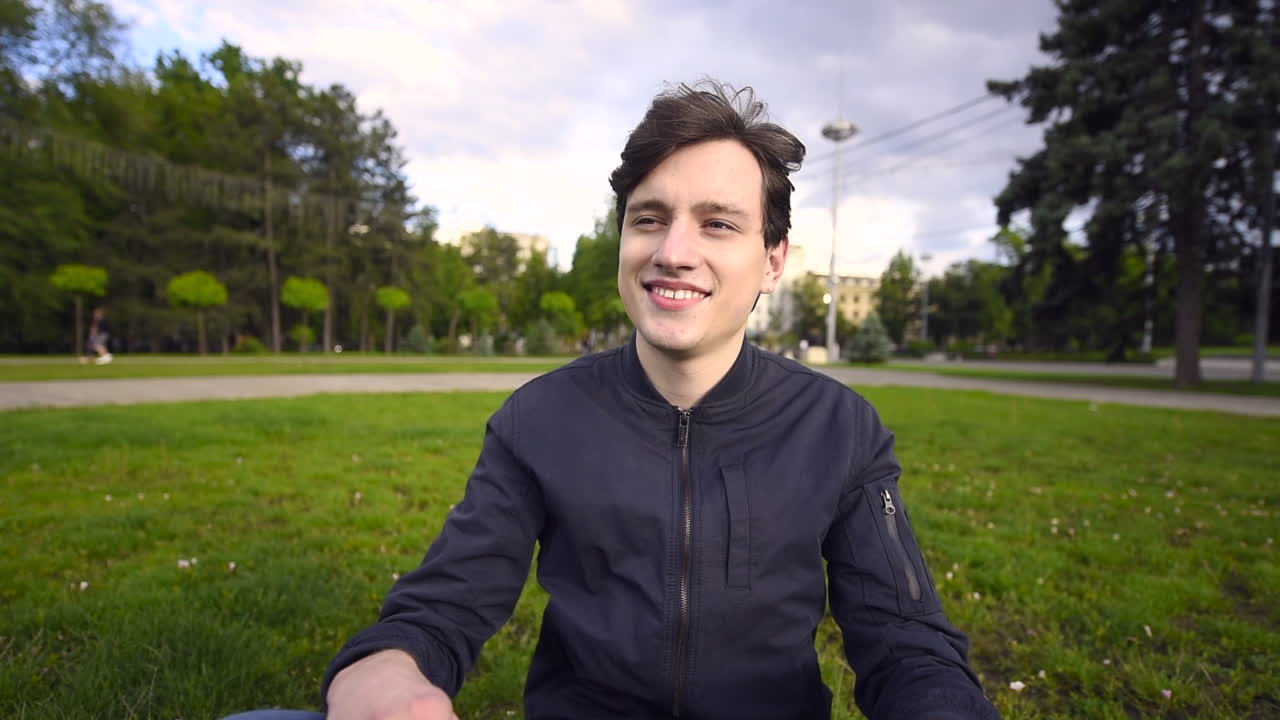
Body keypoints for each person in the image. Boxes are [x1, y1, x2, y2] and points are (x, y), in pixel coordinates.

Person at [225, 81, 999, 720]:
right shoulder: (539, 420)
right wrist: (385, 677)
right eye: (649, 219)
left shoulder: (840, 429)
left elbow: (907, 644)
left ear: (772, 261)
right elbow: (441, 608)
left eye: (717, 224)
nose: (672, 251)